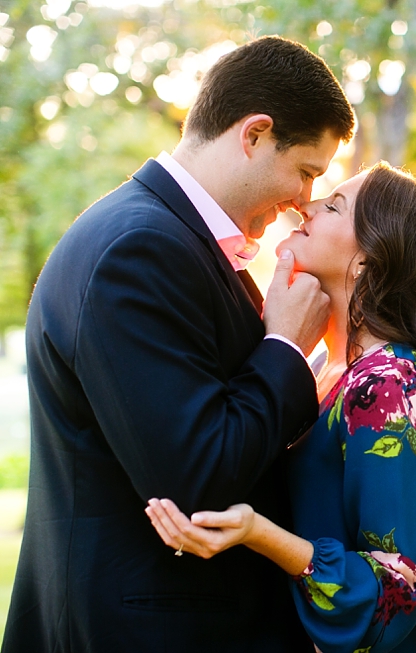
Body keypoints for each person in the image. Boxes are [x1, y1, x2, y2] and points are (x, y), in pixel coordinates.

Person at [3, 36, 355, 653]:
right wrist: (285, 349)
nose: (304, 203)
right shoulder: (138, 250)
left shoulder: (173, 242)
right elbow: (198, 483)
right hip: (149, 628)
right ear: (254, 135)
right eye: (305, 172)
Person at [144, 161, 416, 653]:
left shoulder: (388, 386)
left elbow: (398, 588)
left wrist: (256, 531)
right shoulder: (330, 372)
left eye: (332, 206)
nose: (304, 206)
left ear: (370, 258)